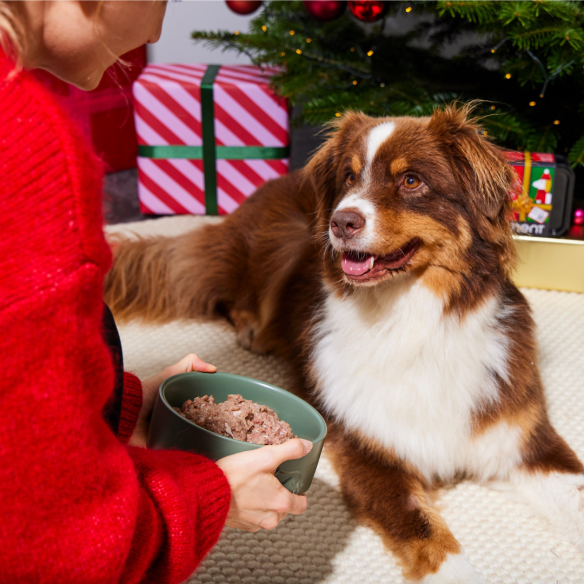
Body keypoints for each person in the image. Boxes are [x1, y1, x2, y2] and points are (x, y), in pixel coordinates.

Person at [0, 1, 311, 582]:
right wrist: (204, 494)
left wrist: (112, 405)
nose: (159, 29)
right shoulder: (26, 147)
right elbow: (56, 546)